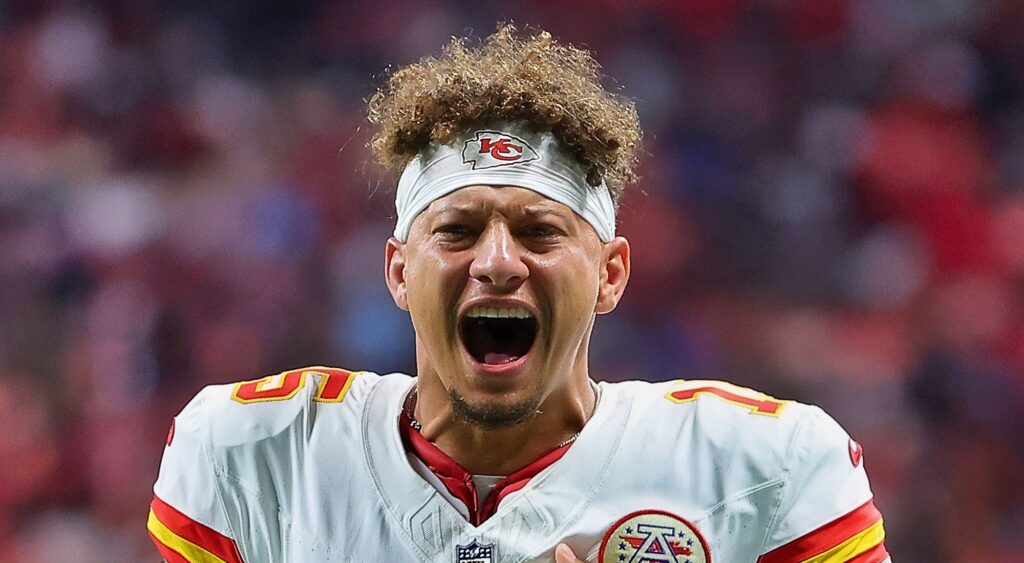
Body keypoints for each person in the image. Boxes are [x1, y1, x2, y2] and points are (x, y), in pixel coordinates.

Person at [147, 25, 890, 563]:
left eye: (539, 232)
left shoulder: (768, 468)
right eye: (458, 229)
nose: (498, 262)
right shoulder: (258, 456)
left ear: (610, 274)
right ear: (399, 271)